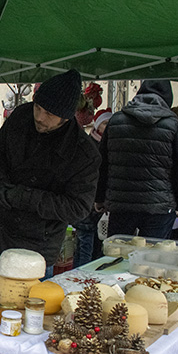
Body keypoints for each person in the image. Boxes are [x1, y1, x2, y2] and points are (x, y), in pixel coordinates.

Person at [0, 68, 101, 354]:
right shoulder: (22, 117)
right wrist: (0, 186)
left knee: (36, 319)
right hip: (3, 230)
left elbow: (78, 207)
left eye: (49, 113)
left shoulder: (83, 153)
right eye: (38, 107)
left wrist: (23, 197)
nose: (40, 116)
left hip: (40, 244)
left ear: (67, 116)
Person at [95, 80, 178, 240]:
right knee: (151, 260)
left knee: (116, 256)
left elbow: (102, 163)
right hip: (159, 207)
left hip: (121, 205)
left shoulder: (116, 121)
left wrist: (99, 197)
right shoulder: (173, 125)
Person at [73, 108, 112, 267]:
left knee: (93, 244)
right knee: (85, 244)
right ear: (97, 126)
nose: (107, 126)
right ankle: (80, 275)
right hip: (86, 202)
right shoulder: (90, 145)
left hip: (96, 204)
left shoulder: (107, 144)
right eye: (104, 123)